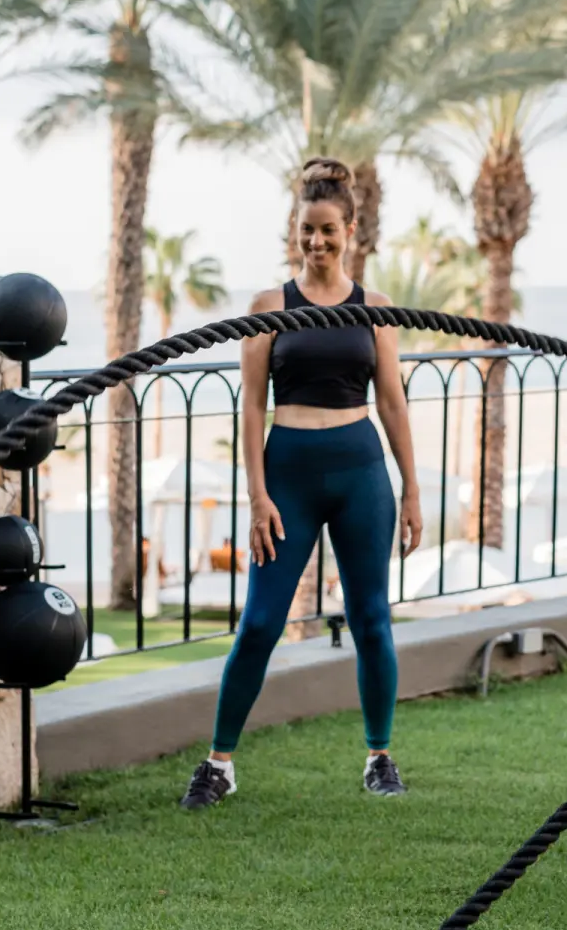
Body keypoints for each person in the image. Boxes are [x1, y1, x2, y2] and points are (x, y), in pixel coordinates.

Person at [180, 157, 424, 809]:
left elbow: (394, 402)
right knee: (260, 622)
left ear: (351, 232)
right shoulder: (269, 308)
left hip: (360, 470)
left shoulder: (375, 309)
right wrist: (257, 495)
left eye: (327, 229)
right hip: (288, 469)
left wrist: (413, 489)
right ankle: (219, 763)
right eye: (306, 230)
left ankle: (380, 756)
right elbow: (252, 407)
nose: (316, 241)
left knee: (372, 618)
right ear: (295, 233)